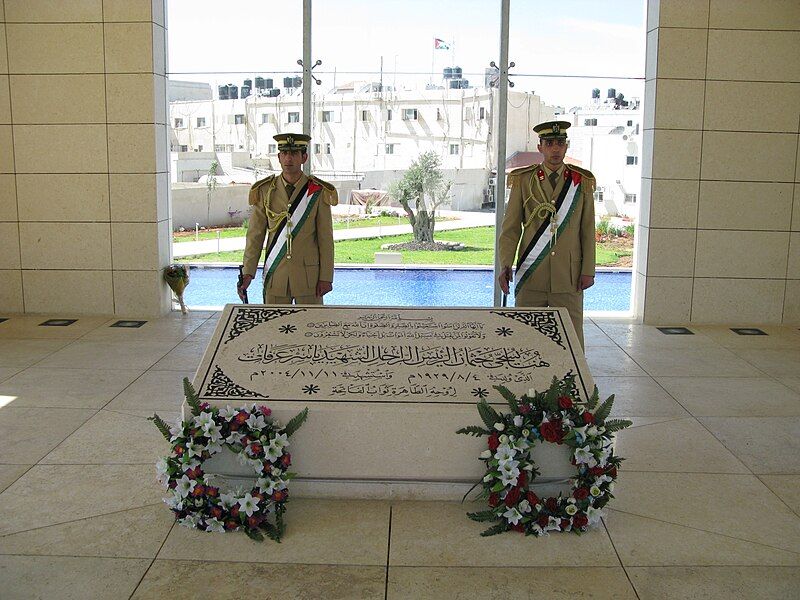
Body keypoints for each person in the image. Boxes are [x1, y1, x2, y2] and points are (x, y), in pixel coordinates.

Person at [498, 120, 596, 349]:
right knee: (525, 338)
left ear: (566, 146)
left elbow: (587, 230)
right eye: (549, 143)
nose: (555, 149)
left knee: (571, 340)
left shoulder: (581, 182)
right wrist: (505, 264)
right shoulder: (523, 179)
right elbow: (511, 228)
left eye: (560, 143)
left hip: (568, 276)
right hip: (532, 272)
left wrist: (588, 270)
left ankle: (571, 383)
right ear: (540, 147)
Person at [238, 133, 338, 304]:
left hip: (309, 279)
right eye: (284, 153)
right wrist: (248, 272)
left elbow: (325, 239)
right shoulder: (265, 190)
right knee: (274, 327)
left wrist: (326, 277)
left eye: (293, 153)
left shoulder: (317, 191)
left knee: (310, 328)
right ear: (278, 157)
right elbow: (255, 236)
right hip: (276, 275)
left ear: (304, 157)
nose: (288, 158)